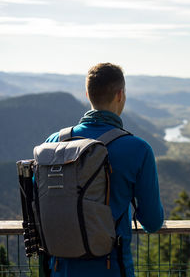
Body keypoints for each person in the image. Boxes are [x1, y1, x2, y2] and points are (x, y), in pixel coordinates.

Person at [44, 62, 164, 276]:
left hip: (60, 268)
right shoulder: (138, 149)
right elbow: (152, 222)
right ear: (120, 95)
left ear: (88, 94)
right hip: (112, 268)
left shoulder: (54, 143)